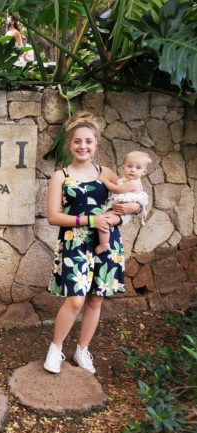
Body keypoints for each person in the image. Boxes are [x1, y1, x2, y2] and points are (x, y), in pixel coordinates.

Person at [44, 112, 141, 375]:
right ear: (70, 144)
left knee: (96, 299)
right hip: (74, 242)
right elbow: (54, 216)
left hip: (107, 241)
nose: (83, 146)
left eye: (88, 141)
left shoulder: (106, 173)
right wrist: (91, 221)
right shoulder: (60, 176)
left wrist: (128, 212)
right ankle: (55, 349)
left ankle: (82, 349)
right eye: (77, 141)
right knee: (76, 300)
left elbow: (132, 202)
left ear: (96, 145)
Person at [95, 151, 151, 254]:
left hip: (123, 213)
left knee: (104, 221)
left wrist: (103, 180)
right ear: (123, 167)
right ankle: (103, 242)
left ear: (144, 172)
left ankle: (104, 244)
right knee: (103, 220)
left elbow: (116, 189)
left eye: (138, 168)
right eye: (130, 166)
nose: (133, 170)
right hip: (117, 210)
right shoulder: (123, 180)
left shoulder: (134, 183)